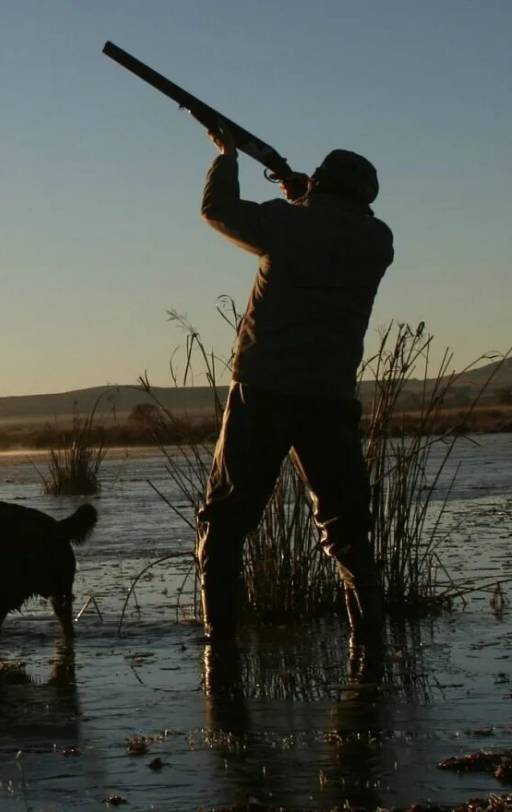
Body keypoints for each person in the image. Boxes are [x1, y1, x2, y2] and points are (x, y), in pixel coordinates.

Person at [196, 123, 394, 649]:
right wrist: (306, 195)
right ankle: (369, 650)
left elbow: (217, 210)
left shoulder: (286, 224)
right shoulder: (378, 241)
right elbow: (334, 224)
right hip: (330, 399)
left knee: (224, 524)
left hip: (261, 391)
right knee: (346, 529)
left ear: (321, 184)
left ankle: (220, 649)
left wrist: (227, 156)